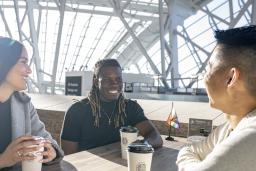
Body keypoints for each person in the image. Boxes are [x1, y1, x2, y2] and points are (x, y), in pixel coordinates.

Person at [176, 25, 256, 171]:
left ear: (230, 78)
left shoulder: (252, 134)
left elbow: (188, 154)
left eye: (209, 68)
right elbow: (190, 150)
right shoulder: (228, 128)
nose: (203, 77)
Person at [61, 59, 163, 154]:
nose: (114, 84)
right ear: (96, 82)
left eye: (118, 79)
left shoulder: (130, 108)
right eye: (107, 79)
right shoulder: (77, 111)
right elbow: (69, 156)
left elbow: (156, 137)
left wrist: (143, 145)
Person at [0, 37, 64, 170]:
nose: (29, 71)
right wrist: (3, 160)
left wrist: (50, 151)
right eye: (23, 62)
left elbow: (45, 139)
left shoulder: (23, 104)